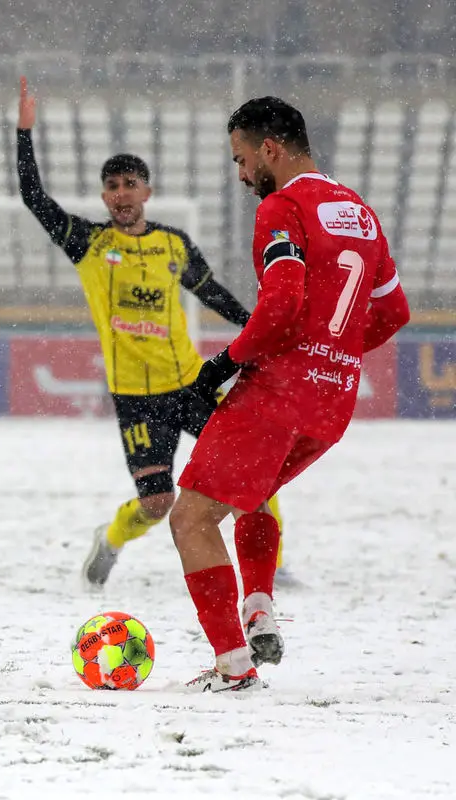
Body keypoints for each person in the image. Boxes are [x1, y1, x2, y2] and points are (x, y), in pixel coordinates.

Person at [171, 97, 411, 691]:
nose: (242, 174)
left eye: (242, 159)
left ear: (270, 150)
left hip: (278, 393)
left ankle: (233, 667)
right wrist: (335, 354)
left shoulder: (282, 206)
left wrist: (220, 365)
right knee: (254, 495)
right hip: (332, 404)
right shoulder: (358, 210)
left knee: (191, 519)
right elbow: (395, 311)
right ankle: (257, 604)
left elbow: (280, 310)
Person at [14, 77, 288, 588]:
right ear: (105, 195)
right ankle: (113, 538)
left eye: (130, 185)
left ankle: (271, 559)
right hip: (136, 397)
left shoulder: (173, 244)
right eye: (113, 186)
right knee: (157, 503)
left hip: (189, 384)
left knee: (250, 468)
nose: (122, 194)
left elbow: (213, 293)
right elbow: (33, 196)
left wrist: (261, 329)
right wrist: (23, 133)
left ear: (146, 191)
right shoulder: (88, 243)